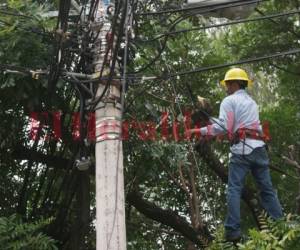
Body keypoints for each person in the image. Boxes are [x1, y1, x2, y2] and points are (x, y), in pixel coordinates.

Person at [191, 68, 283, 242]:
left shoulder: (229, 100)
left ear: (234, 83)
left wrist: (198, 129)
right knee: (267, 190)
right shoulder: (252, 103)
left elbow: (223, 127)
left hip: (242, 151)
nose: (226, 88)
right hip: (259, 148)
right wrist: (210, 119)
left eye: (227, 84)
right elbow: (233, 125)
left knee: (234, 188)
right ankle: (280, 224)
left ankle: (233, 230)